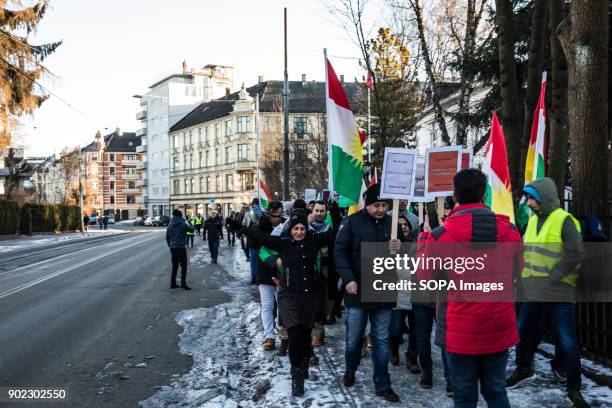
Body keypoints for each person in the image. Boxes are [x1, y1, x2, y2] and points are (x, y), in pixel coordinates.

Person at [416, 169, 523, 408]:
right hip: (499, 324)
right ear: (484, 195)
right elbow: (519, 271)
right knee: (496, 391)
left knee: (464, 396)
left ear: (454, 197)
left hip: (460, 328)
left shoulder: (439, 236)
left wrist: (424, 240)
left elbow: (425, 277)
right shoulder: (511, 231)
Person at [229, 213, 334, 397]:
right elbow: (262, 238)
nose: (299, 232)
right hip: (288, 297)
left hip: (310, 297)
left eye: (302, 228)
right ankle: (297, 377)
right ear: (290, 230)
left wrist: (336, 213)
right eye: (296, 228)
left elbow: (336, 234)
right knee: (294, 335)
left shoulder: (314, 242)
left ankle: (303, 364)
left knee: (305, 333)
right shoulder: (282, 242)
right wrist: (243, 228)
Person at [506, 177, 588, 408]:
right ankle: (523, 370)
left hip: (559, 295)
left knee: (568, 343)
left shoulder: (565, 221)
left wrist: (552, 279)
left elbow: (575, 255)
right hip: (533, 293)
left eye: (532, 198)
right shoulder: (532, 222)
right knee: (521, 332)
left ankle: (574, 388)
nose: (529, 203)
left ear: (544, 198)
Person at [334, 183, 403, 403]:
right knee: (354, 339)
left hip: (383, 293)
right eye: (376, 205)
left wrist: (400, 246)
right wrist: (349, 279)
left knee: (381, 340)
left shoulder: (393, 225)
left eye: (384, 205)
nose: (381, 209)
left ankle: (382, 384)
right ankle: (350, 368)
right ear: (367, 204)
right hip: (358, 292)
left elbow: (403, 258)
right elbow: (340, 252)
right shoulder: (352, 222)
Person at [252, 201, 286, 351]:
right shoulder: (260, 228)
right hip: (265, 269)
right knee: (267, 305)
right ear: (269, 214)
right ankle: (269, 336)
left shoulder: (285, 226)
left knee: (283, 303)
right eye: (275, 216)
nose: (278, 218)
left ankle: (282, 331)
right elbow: (255, 247)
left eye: (280, 215)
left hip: (281, 270)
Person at [389, 214, 419, 373]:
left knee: (416, 331)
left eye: (405, 224)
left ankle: (412, 357)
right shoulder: (389, 243)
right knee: (395, 329)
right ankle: (393, 348)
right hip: (397, 295)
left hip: (416, 295)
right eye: (399, 225)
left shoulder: (418, 241)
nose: (403, 227)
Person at [309, 201, 336, 349]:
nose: (319, 214)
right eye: (317, 211)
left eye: (322, 211)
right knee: (314, 301)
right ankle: (317, 333)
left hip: (327, 269)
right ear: (312, 211)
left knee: (327, 301)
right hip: (311, 269)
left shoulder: (329, 229)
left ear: (326, 212)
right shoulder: (305, 228)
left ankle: (320, 327)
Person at [166, 209, 195, 290]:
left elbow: (167, 238)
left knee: (174, 266)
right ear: (180, 216)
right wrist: (189, 222)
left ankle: (173, 283)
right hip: (181, 248)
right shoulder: (183, 224)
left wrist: (170, 245)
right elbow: (192, 230)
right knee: (183, 266)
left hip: (173, 248)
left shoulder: (170, 225)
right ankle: (183, 283)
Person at [243, 198, 264, 284]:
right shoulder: (263, 213)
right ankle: (259, 276)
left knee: (253, 258)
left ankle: (254, 276)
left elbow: (244, 225)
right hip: (261, 239)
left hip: (251, 238)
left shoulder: (248, 214)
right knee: (261, 257)